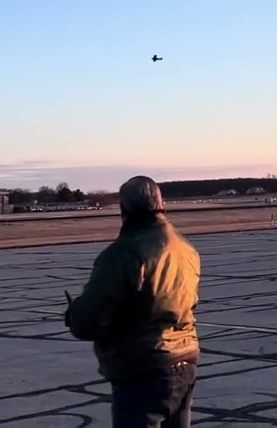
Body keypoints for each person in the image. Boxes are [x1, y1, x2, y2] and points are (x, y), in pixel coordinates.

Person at [65, 176, 201, 428]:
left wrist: (74, 314)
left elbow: (89, 321)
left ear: (124, 210)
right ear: (162, 205)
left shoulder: (123, 254)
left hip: (143, 367)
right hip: (185, 360)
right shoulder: (186, 249)